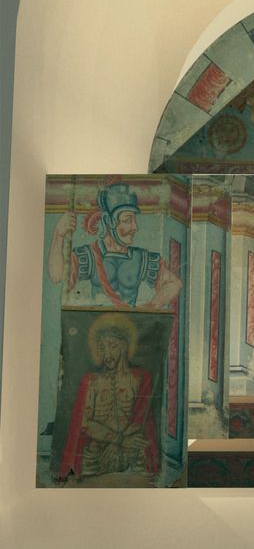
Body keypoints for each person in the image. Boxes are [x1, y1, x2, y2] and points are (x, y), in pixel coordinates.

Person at [58, 313, 159, 480]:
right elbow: (84, 422)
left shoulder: (140, 378)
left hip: (132, 451)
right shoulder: (92, 381)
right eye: (102, 348)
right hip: (97, 454)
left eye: (112, 346)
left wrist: (121, 443)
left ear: (124, 347)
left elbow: (141, 417)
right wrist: (118, 440)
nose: (106, 353)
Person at [48, 183, 182, 308]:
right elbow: (57, 276)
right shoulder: (89, 255)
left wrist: (150, 307)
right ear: (109, 220)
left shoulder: (141, 258)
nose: (135, 227)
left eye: (134, 220)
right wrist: (59, 235)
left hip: (130, 324)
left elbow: (175, 283)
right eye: (127, 220)